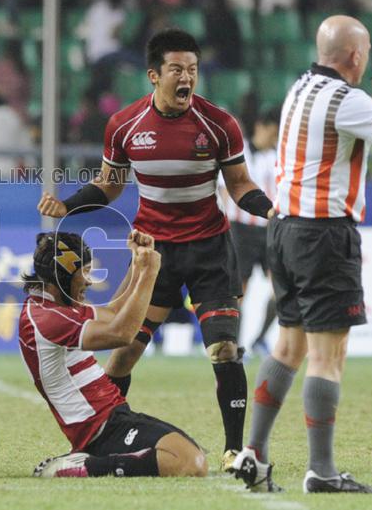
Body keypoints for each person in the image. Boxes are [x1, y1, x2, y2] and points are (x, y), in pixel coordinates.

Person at [231, 16, 372, 494]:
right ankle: (323, 472)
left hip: (284, 231)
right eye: (368, 48)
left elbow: (364, 112)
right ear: (356, 56)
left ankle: (254, 454)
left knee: (288, 348)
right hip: (324, 236)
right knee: (328, 358)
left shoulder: (302, 88)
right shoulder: (345, 100)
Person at [37, 29, 274, 472]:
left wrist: (273, 211)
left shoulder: (219, 124)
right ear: (154, 75)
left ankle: (234, 449)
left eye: (193, 70)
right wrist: (66, 205)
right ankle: (98, 442)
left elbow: (240, 187)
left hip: (210, 250)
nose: (188, 78)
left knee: (224, 350)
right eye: (177, 69)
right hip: (153, 254)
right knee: (124, 352)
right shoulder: (125, 125)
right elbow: (109, 186)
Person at [20, 231, 208, 479]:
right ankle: (84, 466)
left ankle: (90, 459)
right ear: (64, 274)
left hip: (111, 419)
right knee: (190, 463)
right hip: (100, 429)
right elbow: (121, 333)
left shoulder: (50, 306)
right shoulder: (48, 318)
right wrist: (150, 273)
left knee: (190, 453)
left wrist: (137, 264)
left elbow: (113, 312)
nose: (89, 280)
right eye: (84, 272)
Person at [220, 107, 280, 356]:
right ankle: (237, 346)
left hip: (269, 231)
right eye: (273, 133)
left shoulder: (279, 156)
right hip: (240, 231)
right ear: (261, 126)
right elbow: (225, 191)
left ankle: (259, 339)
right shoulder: (238, 151)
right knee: (238, 293)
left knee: (282, 290)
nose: (275, 139)